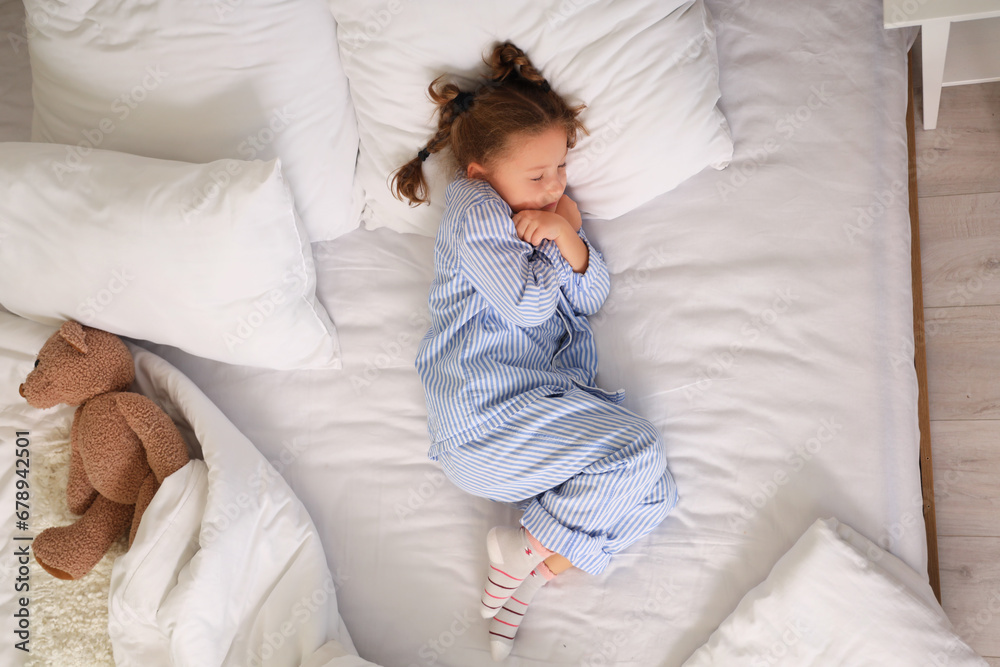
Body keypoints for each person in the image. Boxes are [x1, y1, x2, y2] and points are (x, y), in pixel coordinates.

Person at [391, 41, 678, 661]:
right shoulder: (476, 211)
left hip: (528, 422)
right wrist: (554, 240)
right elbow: (525, 305)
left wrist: (567, 238)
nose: (555, 188)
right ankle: (520, 550)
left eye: (562, 170)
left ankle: (526, 574)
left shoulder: (542, 219)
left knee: (656, 492)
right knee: (635, 451)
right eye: (538, 176)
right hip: (484, 417)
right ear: (482, 174)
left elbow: (591, 295)